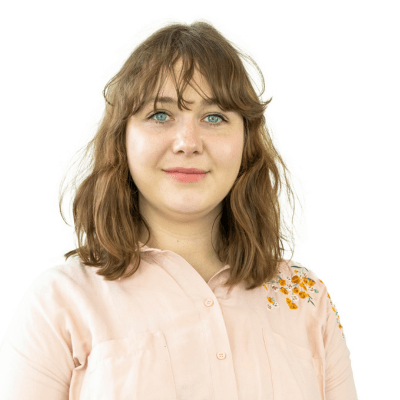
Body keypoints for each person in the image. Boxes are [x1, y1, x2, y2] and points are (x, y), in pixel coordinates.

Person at [0, 21, 358, 399]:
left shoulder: (306, 299)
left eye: (214, 116)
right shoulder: (59, 303)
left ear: (246, 142)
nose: (188, 142)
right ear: (122, 138)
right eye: (160, 115)